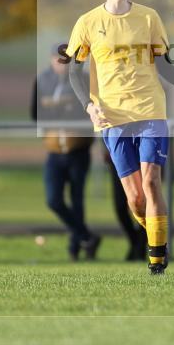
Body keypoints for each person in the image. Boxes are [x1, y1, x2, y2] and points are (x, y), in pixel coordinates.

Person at [65, 0, 174, 274]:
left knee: (151, 182)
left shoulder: (148, 18)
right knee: (135, 198)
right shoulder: (88, 22)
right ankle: (153, 236)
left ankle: (158, 260)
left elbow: (164, 62)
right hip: (112, 118)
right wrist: (89, 106)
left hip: (150, 111)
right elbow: (74, 72)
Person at [32, 46, 100, 261]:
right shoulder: (43, 80)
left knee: (77, 199)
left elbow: (90, 111)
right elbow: (36, 113)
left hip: (78, 148)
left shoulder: (84, 79)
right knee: (53, 200)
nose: (61, 63)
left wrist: (69, 112)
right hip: (54, 149)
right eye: (57, 58)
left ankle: (76, 248)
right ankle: (86, 236)